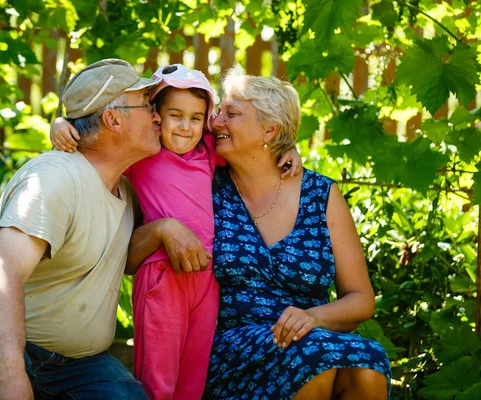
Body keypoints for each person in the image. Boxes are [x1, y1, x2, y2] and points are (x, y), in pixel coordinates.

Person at [131, 69, 391, 400]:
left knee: (367, 363)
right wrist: (161, 229)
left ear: (270, 129)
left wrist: (312, 317)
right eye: (218, 111)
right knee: (314, 361)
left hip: (311, 334)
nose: (214, 121)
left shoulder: (320, 194)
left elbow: (361, 299)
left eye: (231, 113)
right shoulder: (203, 183)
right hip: (231, 348)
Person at [49, 64, 303, 400]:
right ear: (156, 117)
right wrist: (59, 125)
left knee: (193, 378)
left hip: (207, 278)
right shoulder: (145, 154)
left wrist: (289, 148)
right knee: (158, 378)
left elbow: (252, 143)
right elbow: (95, 135)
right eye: (175, 115)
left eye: (196, 118)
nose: (185, 127)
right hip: (161, 276)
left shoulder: (207, 152)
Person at [0, 58, 162, 399]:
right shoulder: (52, 179)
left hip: (77, 364)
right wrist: (9, 373)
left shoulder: (126, 190)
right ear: (113, 119)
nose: (158, 115)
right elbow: (5, 274)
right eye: (148, 105)